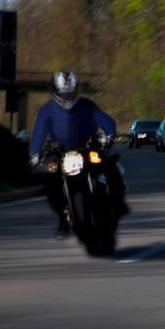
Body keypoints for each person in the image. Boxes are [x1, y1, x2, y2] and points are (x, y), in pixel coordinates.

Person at [29, 71, 128, 238]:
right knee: (52, 180)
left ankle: (114, 205)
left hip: (88, 148)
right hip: (60, 152)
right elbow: (39, 132)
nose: (67, 96)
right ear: (56, 91)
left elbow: (105, 121)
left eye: (70, 92)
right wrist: (35, 154)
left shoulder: (87, 105)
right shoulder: (47, 110)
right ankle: (63, 219)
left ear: (76, 90)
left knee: (111, 167)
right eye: (63, 93)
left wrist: (110, 134)